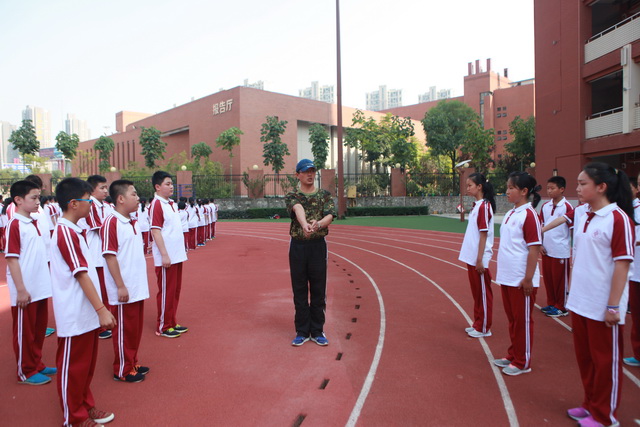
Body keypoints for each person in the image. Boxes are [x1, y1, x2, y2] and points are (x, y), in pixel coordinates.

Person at [564, 163, 635, 427]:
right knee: (586, 359)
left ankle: (605, 416)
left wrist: (613, 305)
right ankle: (590, 404)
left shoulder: (618, 219)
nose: (577, 188)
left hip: (603, 304)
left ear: (602, 187)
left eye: (583, 184)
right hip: (580, 301)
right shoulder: (585, 215)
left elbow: (622, 264)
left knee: (605, 363)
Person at [50, 177, 116, 426]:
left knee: (85, 367)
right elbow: (80, 274)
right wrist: (101, 308)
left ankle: (85, 406)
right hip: (74, 313)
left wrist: (97, 309)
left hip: (85, 311)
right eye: (88, 200)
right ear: (73, 203)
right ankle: (74, 418)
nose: (92, 205)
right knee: (73, 368)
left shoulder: (76, 230)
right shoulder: (65, 232)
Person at [5, 180, 55, 385]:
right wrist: (21, 289)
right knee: (25, 332)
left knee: (38, 329)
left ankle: (36, 363)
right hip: (25, 288)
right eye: (33, 198)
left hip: (40, 286)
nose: (37, 201)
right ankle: (25, 371)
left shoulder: (34, 221)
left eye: (38, 197)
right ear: (18, 200)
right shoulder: (15, 224)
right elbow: (11, 259)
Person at [493, 171, 542, 376]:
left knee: (522, 321)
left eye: (511, 188)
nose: (507, 191)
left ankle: (523, 361)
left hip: (521, 279)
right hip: (507, 276)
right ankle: (513, 353)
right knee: (513, 319)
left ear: (524, 191)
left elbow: (534, 248)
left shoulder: (529, 215)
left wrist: (528, 278)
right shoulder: (512, 213)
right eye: (507, 187)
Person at [101, 180, 150, 383]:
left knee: (134, 329)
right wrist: (120, 285)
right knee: (123, 329)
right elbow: (109, 256)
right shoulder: (111, 222)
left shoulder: (132, 221)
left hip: (136, 285)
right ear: (120, 198)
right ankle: (122, 369)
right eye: (134, 194)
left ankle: (131, 362)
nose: (138, 198)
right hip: (124, 287)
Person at [285, 159, 336, 346]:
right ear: (297, 175)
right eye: (306, 171)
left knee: (318, 288)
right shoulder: (292, 195)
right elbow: (297, 207)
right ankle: (301, 331)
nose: (310, 174)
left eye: (313, 171)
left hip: (317, 246)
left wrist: (319, 224)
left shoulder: (324, 195)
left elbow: (330, 215)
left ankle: (317, 330)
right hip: (298, 246)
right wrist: (304, 224)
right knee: (299, 288)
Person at [148, 171, 188, 338]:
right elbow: (155, 231)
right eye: (167, 184)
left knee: (175, 290)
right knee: (166, 291)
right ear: (157, 187)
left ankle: (171, 321)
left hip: (177, 255)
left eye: (172, 184)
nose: (171, 187)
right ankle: (163, 326)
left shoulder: (171, 203)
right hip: (167, 257)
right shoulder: (156, 204)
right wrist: (164, 255)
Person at [459, 172, 495, 338]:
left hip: (479, 258)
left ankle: (484, 327)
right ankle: (478, 322)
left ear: (479, 187)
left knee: (483, 294)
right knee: (477, 293)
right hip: (472, 257)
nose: (467, 188)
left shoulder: (484, 207)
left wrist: (480, 259)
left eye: (470, 185)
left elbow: (483, 234)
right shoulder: (477, 206)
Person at [80, 175, 112, 340]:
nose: (106, 191)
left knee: (106, 290)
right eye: (102, 188)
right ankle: (99, 326)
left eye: (106, 187)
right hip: (95, 254)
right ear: (92, 190)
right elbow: (101, 229)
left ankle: (106, 321)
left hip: (104, 254)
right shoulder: (90, 205)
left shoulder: (106, 206)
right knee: (98, 291)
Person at [539, 176, 574, 318]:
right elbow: (541, 225)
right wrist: (540, 244)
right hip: (547, 249)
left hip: (560, 250)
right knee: (549, 279)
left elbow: (572, 228)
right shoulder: (545, 206)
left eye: (552, 188)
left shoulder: (567, 207)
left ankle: (562, 306)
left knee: (560, 281)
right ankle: (552, 303)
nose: (549, 191)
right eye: (548, 188)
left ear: (562, 189)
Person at [625, 173, 640, 368]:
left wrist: (625, 242)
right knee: (636, 315)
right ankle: (638, 353)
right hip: (634, 270)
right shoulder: (626, 210)